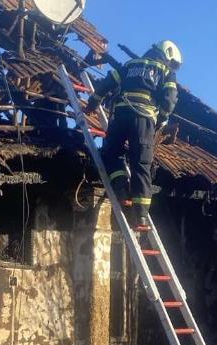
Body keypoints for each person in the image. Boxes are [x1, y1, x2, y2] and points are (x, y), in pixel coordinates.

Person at [85, 40, 182, 228]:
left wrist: (92, 104)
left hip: (120, 116)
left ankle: (121, 189)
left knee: (112, 153)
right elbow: (170, 100)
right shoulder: (165, 71)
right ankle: (140, 216)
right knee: (141, 163)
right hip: (144, 121)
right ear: (168, 55)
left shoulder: (129, 65)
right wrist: (161, 118)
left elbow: (107, 84)